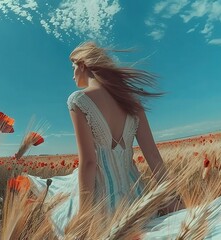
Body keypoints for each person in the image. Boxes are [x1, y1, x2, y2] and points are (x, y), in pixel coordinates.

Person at [27, 41, 185, 237]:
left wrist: (84, 217)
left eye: (73, 67)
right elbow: (153, 156)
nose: (72, 74)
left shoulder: (78, 100)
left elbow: (89, 162)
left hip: (100, 208)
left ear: (82, 65)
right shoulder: (131, 102)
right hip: (137, 201)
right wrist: (174, 200)